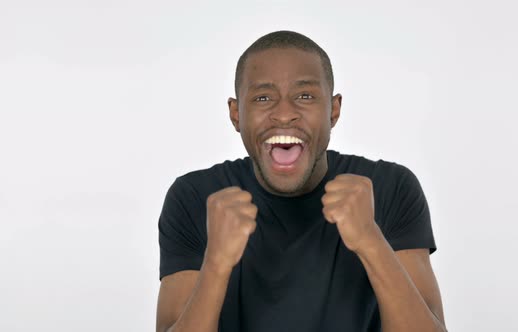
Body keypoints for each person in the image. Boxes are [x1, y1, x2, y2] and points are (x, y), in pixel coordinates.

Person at [155, 30, 446, 332]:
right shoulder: (193, 197)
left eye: (305, 96)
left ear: (333, 110)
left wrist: (370, 241)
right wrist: (215, 264)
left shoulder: (390, 188)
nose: (284, 114)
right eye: (263, 97)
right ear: (236, 113)